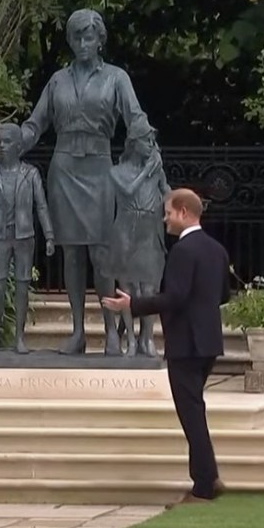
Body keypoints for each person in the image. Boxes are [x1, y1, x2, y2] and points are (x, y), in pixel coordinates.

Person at [20, 8, 161, 356]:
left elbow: (136, 118)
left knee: (102, 252)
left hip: (99, 169)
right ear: (70, 41)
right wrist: (10, 142)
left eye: (89, 37)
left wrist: (153, 153)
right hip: (64, 168)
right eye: (77, 37)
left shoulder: (116, 78)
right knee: (71, 254)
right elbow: (36, 124)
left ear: (100, 40)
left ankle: (111, 330)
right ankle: (78, 331)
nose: (83, 43)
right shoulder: (57, 81)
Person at [102, 188, 231, 504]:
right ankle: (209, 475)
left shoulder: (183, 251)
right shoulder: (217, 250)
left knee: (191, 414)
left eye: (169, 212)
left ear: (184, 212)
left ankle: (203, 485)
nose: (165, 218)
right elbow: (224, 295)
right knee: (194, 410)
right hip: (209, 341)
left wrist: (133, 304)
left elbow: (174, 297)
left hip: (186, 343)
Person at [0, 123, 55, 353]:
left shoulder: (31, 174)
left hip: (24, 237)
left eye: (7, 142)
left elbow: (42, 206)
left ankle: (19, 337)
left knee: (22, 287)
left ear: (18, 146)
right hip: (0, 237)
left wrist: (49, 235)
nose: (2, 146)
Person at [107, 123, 171, 357]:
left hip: (150, 230)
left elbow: (167, 192)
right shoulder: (117, 171)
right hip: (126, 230)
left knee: (150, 288)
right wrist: (146, 172)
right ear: (134, 143)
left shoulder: (157, 170)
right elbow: (127, 190)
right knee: (128, 287)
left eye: (154, 142)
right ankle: (131, 340)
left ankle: (147, 338)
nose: (153, 147)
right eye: (148, 142)